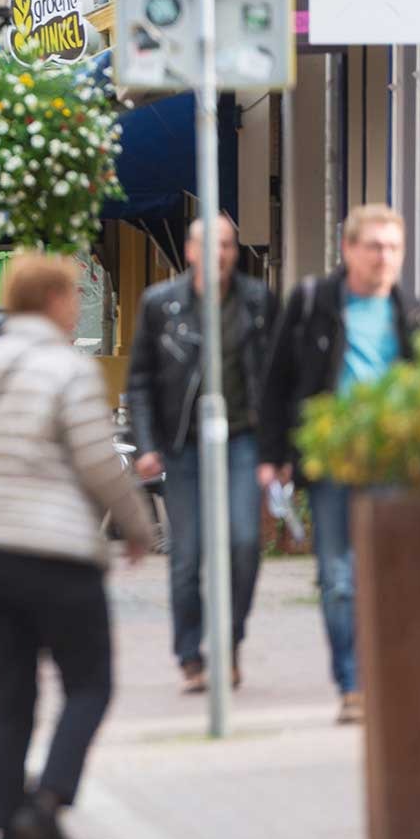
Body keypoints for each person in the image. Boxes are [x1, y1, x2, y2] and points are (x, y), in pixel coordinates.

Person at [0, 254, 153, 839]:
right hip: (54, 551)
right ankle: (49, 799)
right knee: (89, 683)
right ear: (56, 299)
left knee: (11, 691)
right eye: (72, 294)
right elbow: (97, 462)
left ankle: (9, 824)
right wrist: (138, 526)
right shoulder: (70, 370)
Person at [257, 205, 420, 725]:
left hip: (393, 462)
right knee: (338, 577)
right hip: (332, 459)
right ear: (348, 250)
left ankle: (387, 675)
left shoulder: (412, 312)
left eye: (393, 247)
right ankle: (352, 684)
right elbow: (277, 383)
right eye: (374, 246)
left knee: (393, 575)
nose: (384, 257)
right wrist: (273, 457)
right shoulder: (314, 304)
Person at [126, 216, 277, 694]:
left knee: (244, 543)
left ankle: (228, 641)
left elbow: (276, 381)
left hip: (242, 440)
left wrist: (278, 450)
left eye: (228, 245)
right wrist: (146, 445)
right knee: (188, 556)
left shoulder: (257, 302)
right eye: (210, 245)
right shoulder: (160, 304)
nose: (220, 254)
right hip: (183, 445)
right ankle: (191, 654)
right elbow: (140, 382)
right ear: (191, 251)